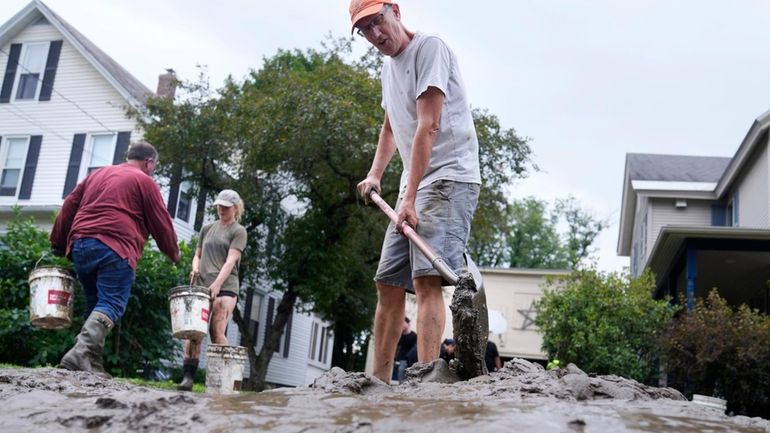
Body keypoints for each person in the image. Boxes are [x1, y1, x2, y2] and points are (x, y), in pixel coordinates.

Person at [351, 0, 481, 383]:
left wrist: (407, 201)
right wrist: (375, 174)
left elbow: (429, 125)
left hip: (449, 177)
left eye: (378, 22)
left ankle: (427, 382)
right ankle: (378, 381)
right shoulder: (388, 69)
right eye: (365, 30)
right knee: (388, 281)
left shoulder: (430, 49)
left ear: (395, 12)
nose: (375, 35)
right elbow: (392, 126)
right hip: (415, 183)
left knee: (426, 279)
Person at [50, 141, 180, 378]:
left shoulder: (97, 174)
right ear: (149, 163)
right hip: (115, 247)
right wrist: (173, 253)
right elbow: (160, 221)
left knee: (95, 306)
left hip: (81, 244)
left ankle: (92, 363)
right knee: (112, 303)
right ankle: (79, 353)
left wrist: (58, 242)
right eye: (155, 165)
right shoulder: (144, 181)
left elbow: (69, 204)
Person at [177, 189, 248, 391]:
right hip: (201, 286)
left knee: (217, 331)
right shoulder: (208, 228)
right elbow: (197, 255)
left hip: (225, 287)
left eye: (226, 207)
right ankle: (188, 378)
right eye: (219, 206)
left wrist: (217, 284)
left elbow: (231, 260)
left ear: (235, 208)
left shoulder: (238, 231)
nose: (221, 210)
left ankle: (225, 382)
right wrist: (195, 267)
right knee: (194, 332)